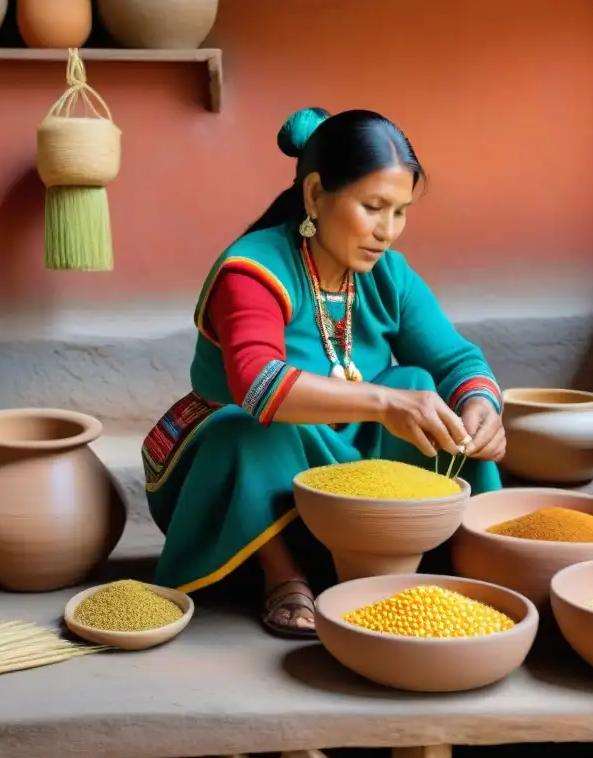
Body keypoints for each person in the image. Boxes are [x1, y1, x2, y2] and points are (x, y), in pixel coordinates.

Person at [141, 107, 506, 639]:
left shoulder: (388, 275)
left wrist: (481, 408)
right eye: (373, 207)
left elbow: (457, 360)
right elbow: (257, 382)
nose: (388, 231)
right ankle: (282, 575)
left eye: (401, 211)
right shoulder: (252, 269)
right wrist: (385, 403)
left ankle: (448, 555)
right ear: (314, 195)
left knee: (421, 388)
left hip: (342, 453)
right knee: (246, 429)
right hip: (240, 467)